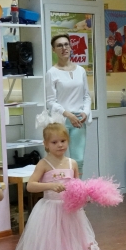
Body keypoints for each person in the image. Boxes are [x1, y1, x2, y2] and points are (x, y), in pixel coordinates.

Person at [13, 119, 103, 250]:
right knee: (52, 249)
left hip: (69, 212)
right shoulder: (44, 164)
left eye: (63, 141)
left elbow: (77, 185)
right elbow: (30, 185)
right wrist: (50, 185)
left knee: (69, 247)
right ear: (46, 144)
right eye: (54, 142)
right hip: (50, 211)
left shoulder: (72, 163)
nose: (59, 145)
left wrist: (85, 197)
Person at [46, 34, 91, 174]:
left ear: (71, 47)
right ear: (54, 50)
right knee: (59, 159)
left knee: (79, 160)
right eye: (59, 45)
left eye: (66, 44)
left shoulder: (81, 70)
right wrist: (68, 114)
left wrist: (85, 112)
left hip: (79, 119)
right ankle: (61, 186)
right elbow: (50, 101)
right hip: (62, 120)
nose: (64, 48)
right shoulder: (52, 73)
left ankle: (77, 187)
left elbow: (86, 96)